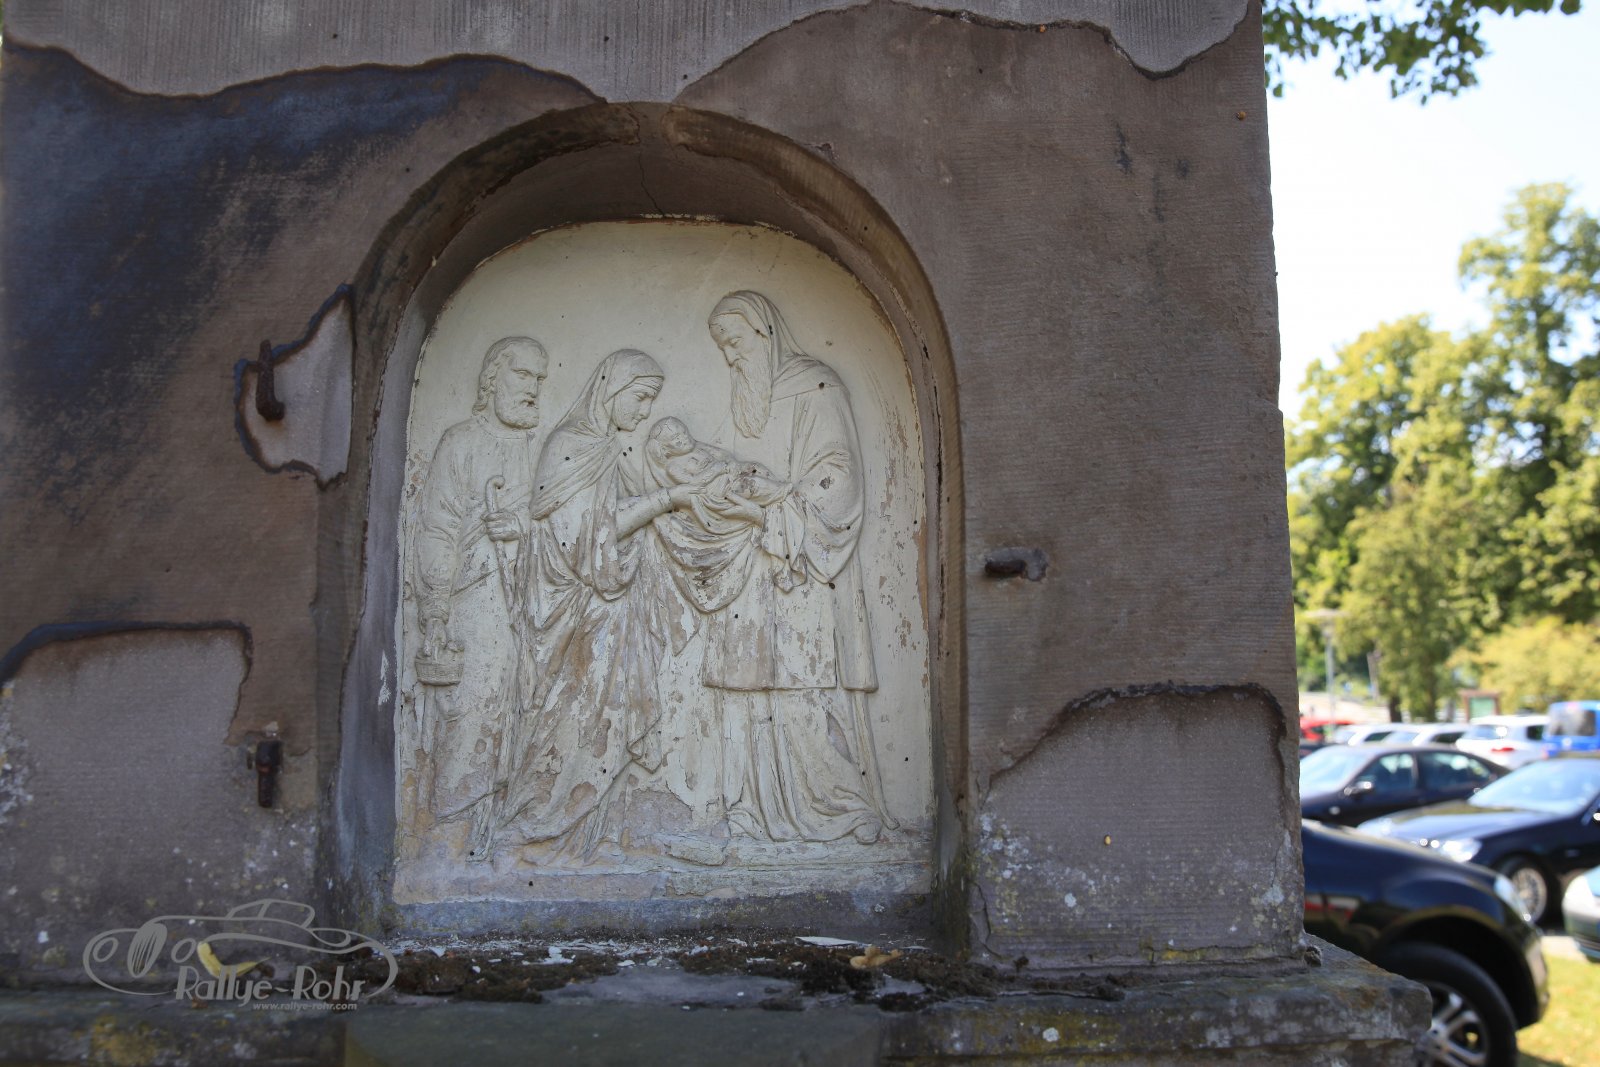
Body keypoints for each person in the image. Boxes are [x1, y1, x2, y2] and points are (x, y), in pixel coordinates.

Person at [695, 290, 897, 845]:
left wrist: (777, 503)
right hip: (749, 569)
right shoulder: (744, 403)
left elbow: (840, 477)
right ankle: (752, 810)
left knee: (805, 686)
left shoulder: (817, 387)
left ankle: (839, 806)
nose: (731, 357)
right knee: (748, 687)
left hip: (803, 566)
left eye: (735, 342)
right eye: (722, 347)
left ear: (762, 332)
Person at [497, 349, 705, 864]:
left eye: (651, 400)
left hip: (609, 612)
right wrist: (668, 499)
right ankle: (536, 831)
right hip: (573, 617)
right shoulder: (569, 447)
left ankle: (590, 837)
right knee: (569, 721)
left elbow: (608, 522)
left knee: (607, 726)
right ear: (612, 390)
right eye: (640, 398)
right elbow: (582, 540)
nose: (644, 410)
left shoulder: (609, 450)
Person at [409, 336, 547, 861]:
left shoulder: (540, 449)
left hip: (530, 604)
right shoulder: (461, 442)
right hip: (473, 600)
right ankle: (450, 840)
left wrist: (524, 528)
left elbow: (564, 523)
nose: (532, 388)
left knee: (519, 717)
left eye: (539, 379)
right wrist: (435, 612)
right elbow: (438, 528)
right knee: (469, 716)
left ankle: (496, 841)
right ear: (492, 379)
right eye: (522, 375)